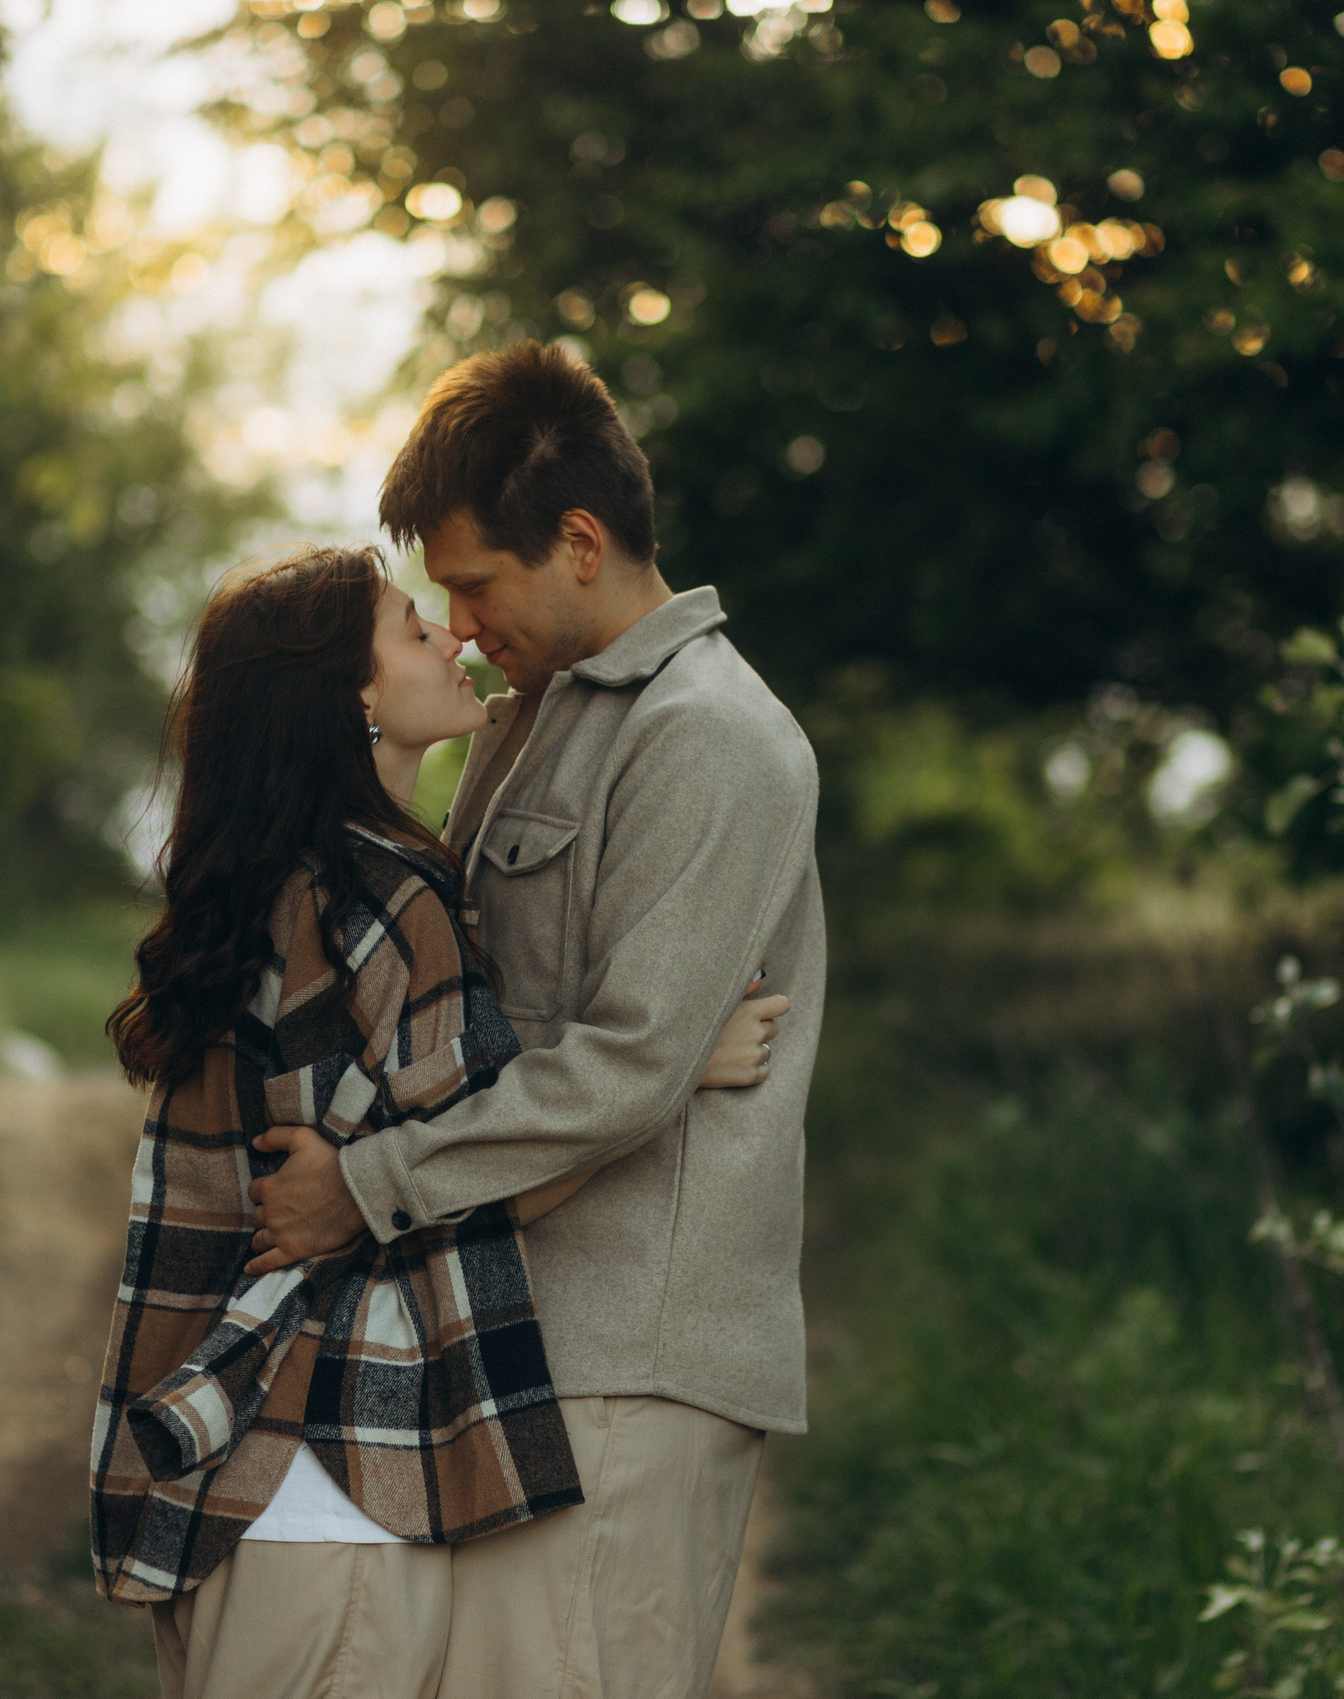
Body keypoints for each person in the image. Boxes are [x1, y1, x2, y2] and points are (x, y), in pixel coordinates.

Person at [88, 543, 789, 1699]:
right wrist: (668, 1069)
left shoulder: (276, 882)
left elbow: (407, 1140)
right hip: (335, 1481)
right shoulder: (389, 897)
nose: (454, 636)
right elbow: (481, 1176)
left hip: (233, 1488)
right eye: (415, 630)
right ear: (353, 697)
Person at [248, 343, 826, 1699]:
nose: (456, 620)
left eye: (472, 582)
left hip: (633, 1355)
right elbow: (484, 1015)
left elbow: (620, 1063)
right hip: (517, 1337)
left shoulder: (713, 735)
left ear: (577, 541)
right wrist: (670, 1069)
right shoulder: (527, 724)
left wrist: (367, 1185)